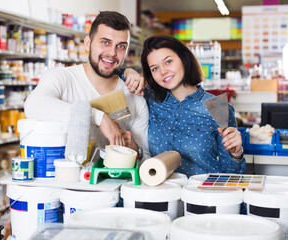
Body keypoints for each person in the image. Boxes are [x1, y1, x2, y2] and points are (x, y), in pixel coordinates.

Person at [24, 11, 150, 158]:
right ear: (88, 43)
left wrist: (135, 150)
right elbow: (33, 105)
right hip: (65, 178)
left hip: (114, 180)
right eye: (105, 42)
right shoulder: (62, 78)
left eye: (121, 46)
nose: (112, 53)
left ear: (127, 51)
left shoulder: (134, 97)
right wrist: (99, 117)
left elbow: (146, 160)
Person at [120, 35, 245, 177]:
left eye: (168, 61)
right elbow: (110, 71)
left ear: (184, 58)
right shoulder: (149, 100)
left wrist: (236, 152)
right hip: (161, 194)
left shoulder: (218, 107)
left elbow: (232, 175)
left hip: (202, 195)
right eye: (154, 68)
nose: (163, 71)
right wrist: (128, 71)